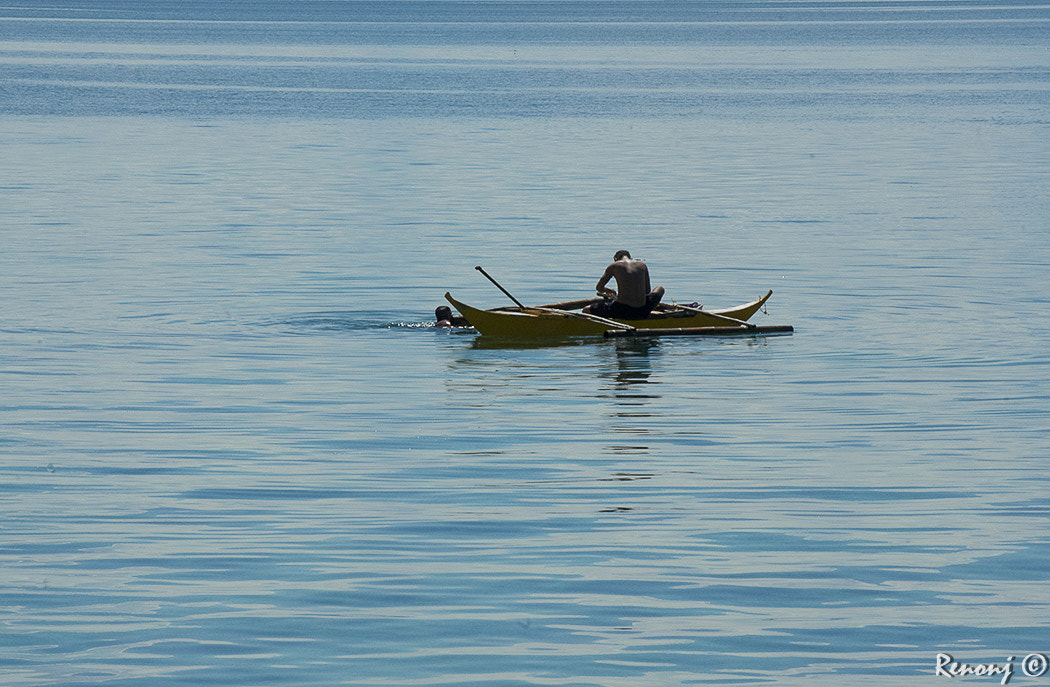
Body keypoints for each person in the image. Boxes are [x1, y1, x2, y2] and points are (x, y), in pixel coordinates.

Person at [584, 250, 665, 319]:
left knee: (586, 310)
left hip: (623, 311)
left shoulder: (614, 266)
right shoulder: (642, 265)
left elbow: (599, 287)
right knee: (660, 288)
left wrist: (608, 290)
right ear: (630, 257)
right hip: (643, 310)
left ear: (615, 259)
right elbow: (647, 291)